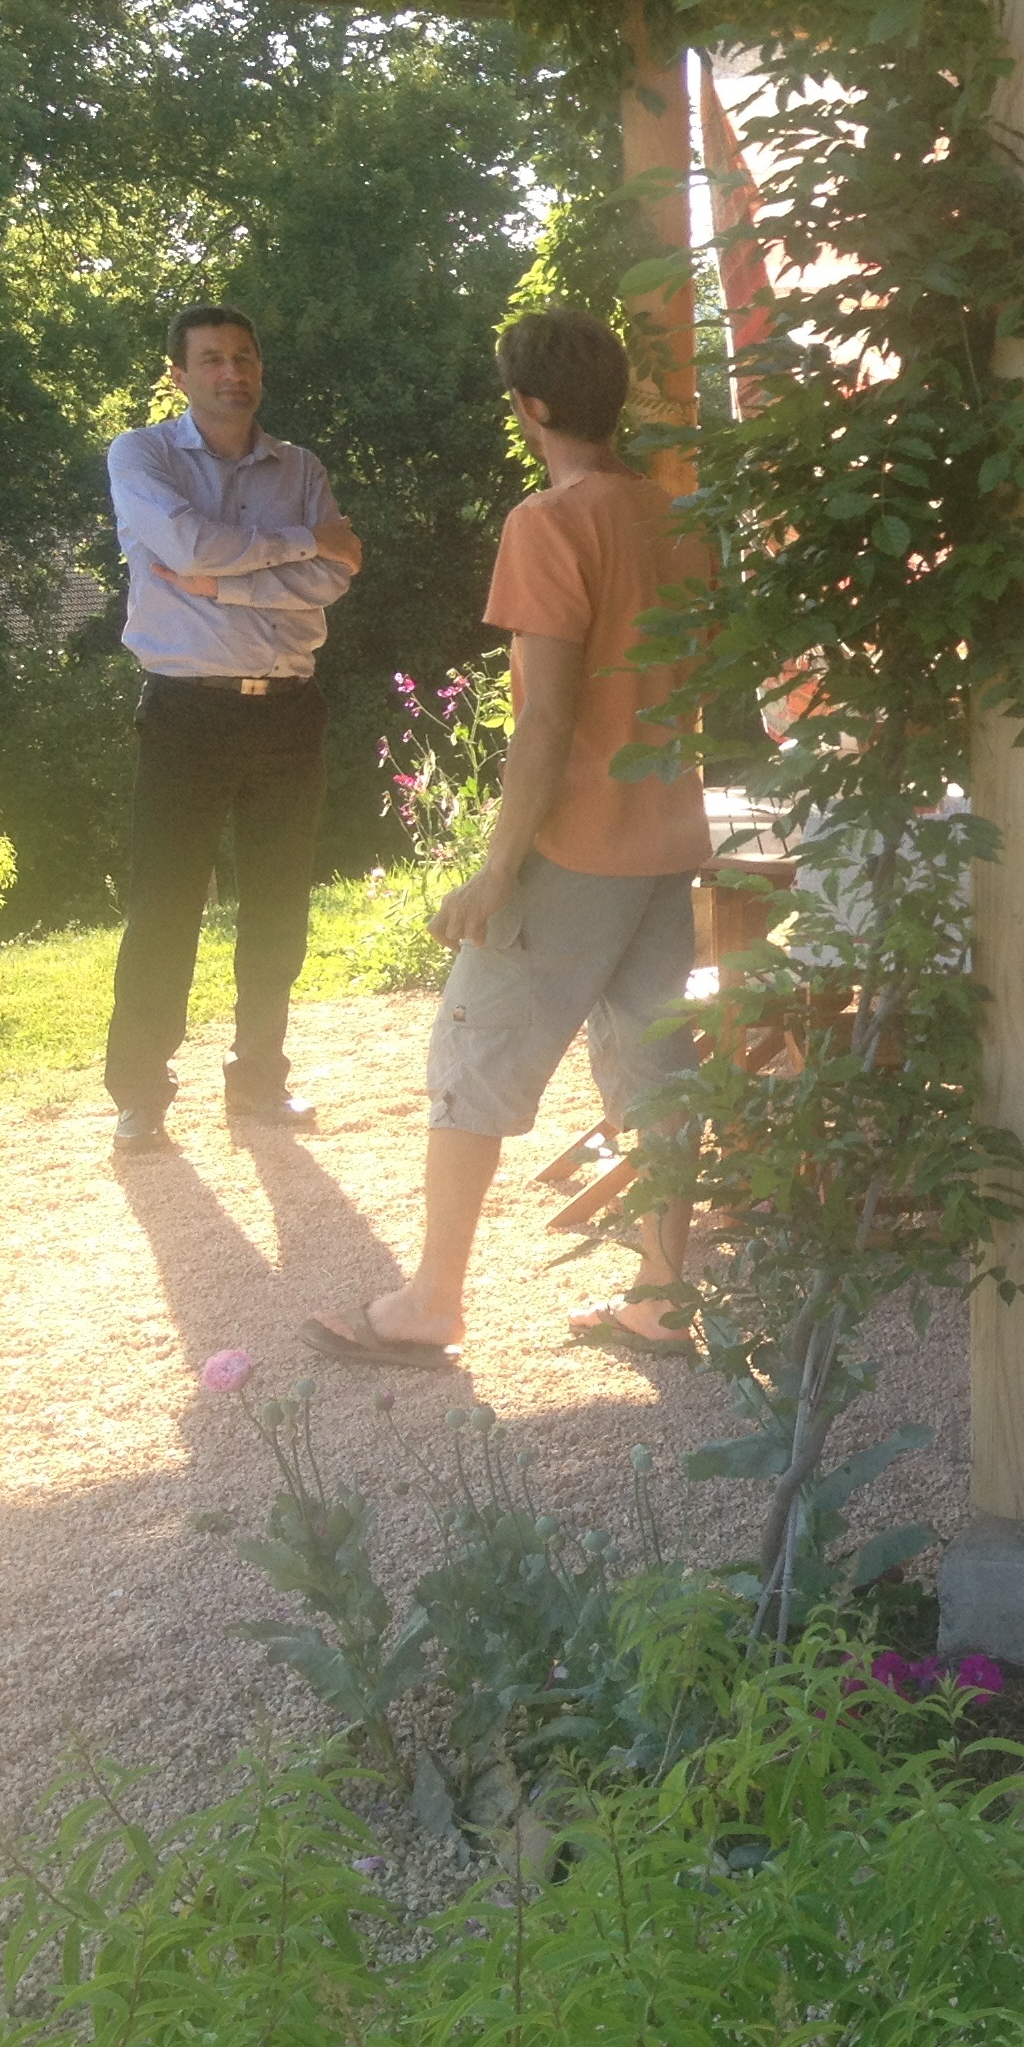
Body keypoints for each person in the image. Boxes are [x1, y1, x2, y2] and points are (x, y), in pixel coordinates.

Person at [305, 308, 710, 1368]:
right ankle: (666, 1303)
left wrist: (495, 871)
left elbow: (546, 716)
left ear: (529, 408)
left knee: (473, 1057)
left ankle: (433, 1300)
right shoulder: (676, 518)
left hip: (576, 846)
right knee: (660, 1068)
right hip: (669, 838)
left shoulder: (549, 522)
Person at [103, 303, 365, 1153]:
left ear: (260, 368)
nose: (232, 372)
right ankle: (140, 1095)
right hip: (186, 712)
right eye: (211, 359)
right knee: (165, 906)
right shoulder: (141, 454)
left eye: (244, 356)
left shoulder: (302, 465)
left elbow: (331, 579)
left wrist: (229, 583)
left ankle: (259, 1080)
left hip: (289, 709)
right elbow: (184, 541)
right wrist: (293, 542)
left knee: (280, 907)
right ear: (178, 376)